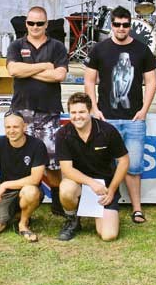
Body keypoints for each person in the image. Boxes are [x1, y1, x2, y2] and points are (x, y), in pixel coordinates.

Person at [84, 5, 156, 224]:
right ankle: (103, 205)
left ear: (130, 26)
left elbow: (151, 81)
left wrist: (144, 110)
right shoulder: (99, 49)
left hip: (133, 119)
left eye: (126, 25)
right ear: (111, 25)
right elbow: (89, 80)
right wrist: (94, 109)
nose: (122, 28)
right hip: (106, 118)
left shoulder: (142, 50)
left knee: (133, 167)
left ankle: (137, 208)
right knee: (102, 165)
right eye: (117, 24)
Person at [6, 5, 68, 216]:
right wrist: (44, 67)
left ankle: (58, 197)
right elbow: (13, 70)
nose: (35, 27)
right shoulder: (16, 45)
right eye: (31, 23)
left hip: (48, 111)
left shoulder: (57, 46)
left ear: (46, 24)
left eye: (39, 23)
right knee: (20, 158)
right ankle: (22, 198)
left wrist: (27, 71)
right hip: (20, 111)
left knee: (52, 160)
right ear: (26, 24)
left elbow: (59, 75)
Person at [55, 92, 130, 242]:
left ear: (90, 112)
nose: (77, 116)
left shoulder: (107, 131)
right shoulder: (63, 134)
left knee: (108, 235)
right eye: (73, 112)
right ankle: (73, 221)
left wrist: (112, 190)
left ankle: (99, 213)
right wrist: (91, 183)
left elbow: (124, 161)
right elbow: (67, 169)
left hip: (104, 188)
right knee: (66, 189)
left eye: (82, 112)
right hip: (79, 184)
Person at [0, 111, 47, 242]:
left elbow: (35, 179)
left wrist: (5, 185)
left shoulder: (37, 145)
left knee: (30, 191)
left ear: (24, 127)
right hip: (7, 195)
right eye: (8, 127)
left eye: (16, 127)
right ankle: (12, 215)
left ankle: (23, 223)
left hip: (28, 190)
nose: (12, 131)